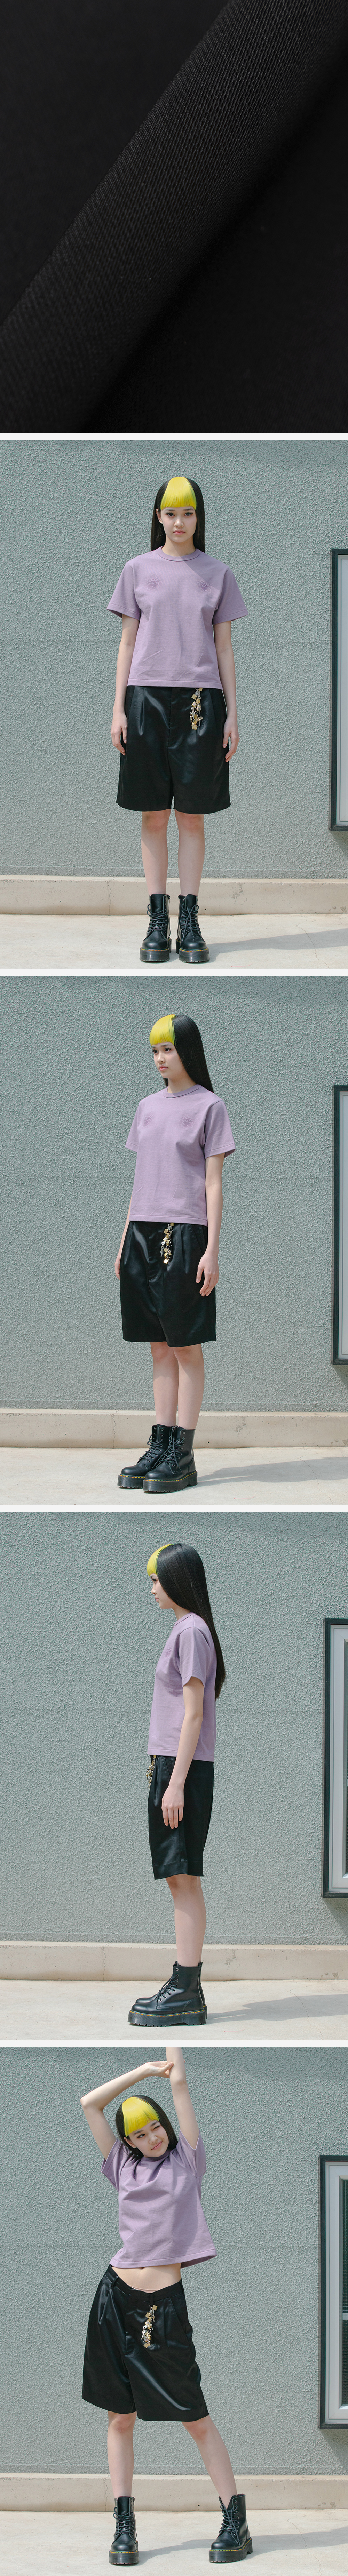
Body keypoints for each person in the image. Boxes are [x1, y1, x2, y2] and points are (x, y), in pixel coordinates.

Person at [81, 2045, 252, 2568]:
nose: (150, 2138)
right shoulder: (121, 2166)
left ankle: (236, 2520)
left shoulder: (187, 2161)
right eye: (138, 2134)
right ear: (128, 2142)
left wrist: (168, 2065)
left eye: (155, 2127)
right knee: (120, 2417)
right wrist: (140, 2072)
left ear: (166, 2127)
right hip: (114, 2298)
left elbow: (180, 2084)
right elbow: (90, 2104)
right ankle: (124, 2524)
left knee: (195, 2418)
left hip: (163, 2308)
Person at [109, 474, 247, 965]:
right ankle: (156, 919)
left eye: (188, 513)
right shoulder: (137, 569)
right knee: (153, 814)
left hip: (199, 703)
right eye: (171, 513)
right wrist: (118, 709)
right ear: (159, 517)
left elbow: (225, 648)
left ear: (198, 518)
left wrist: (233, 715)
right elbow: (127, 642)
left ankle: (189, 920)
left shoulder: (218, 574)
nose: (180, 522)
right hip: (145, 699)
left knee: (191, 815)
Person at [116, 1011, 235, 1494]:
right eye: (155, 1050)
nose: (160, 1058)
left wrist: (212, 1250)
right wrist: (124, 1239)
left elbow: (214, 1183)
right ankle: (161, 1444)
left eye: (168, 1048)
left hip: (184, 1234)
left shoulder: (210, 1106)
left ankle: (183, 1454)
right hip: (142, 1232)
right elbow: (141, 1177)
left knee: (185, 1345)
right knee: (158, 1346)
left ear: (188, 1050)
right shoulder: (146, 1106)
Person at [127, 1539, 225, 2029]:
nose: (152, 1589)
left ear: (178, 1580)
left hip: (180, 1769)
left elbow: (194, 1715)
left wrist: (176, 1784)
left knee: (183, 1879)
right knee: (180, 1879)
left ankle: (185, 1989)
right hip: (174, 1767)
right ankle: (188, 1987)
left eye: (157, 1579)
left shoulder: (191, 1631)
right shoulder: (191, 1629)